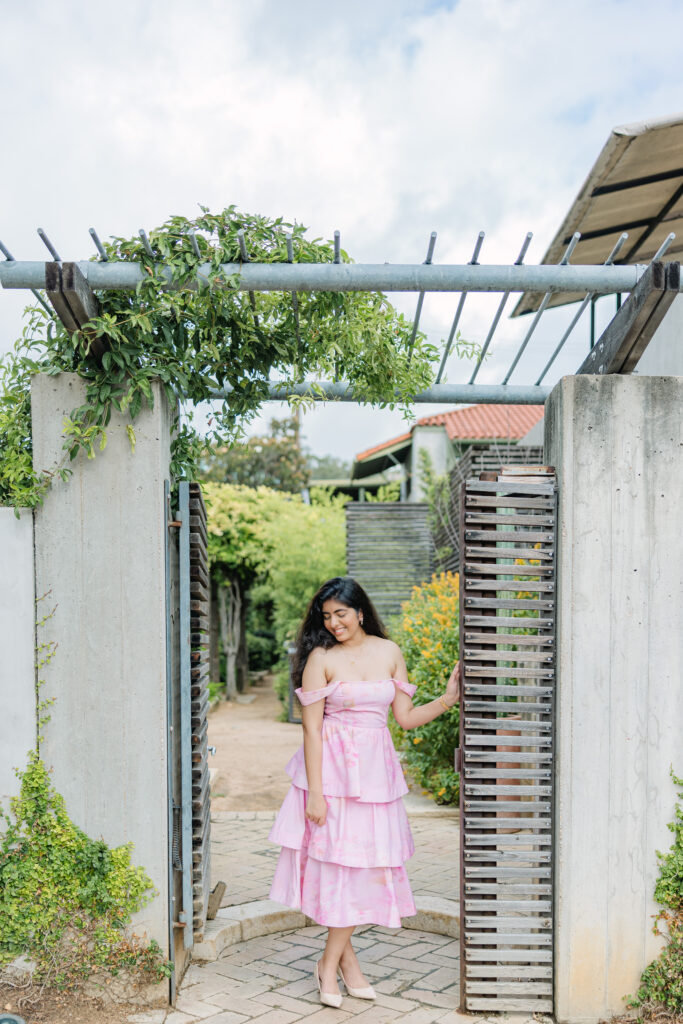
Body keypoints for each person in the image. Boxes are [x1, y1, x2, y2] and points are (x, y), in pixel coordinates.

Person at [268, 576, 461, 1008]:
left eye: (341, 613)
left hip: (375, 778)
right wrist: (315, 793)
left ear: (360, 611)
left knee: (364, 869)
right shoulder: (320, 657)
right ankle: (338, 966)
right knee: (339, 869)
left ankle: (333, 961)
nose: (334, 623)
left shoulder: (389, 652)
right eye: (326, 616)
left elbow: (406, 718)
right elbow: (312, 729)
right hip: (332, 776)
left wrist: (448, 699)